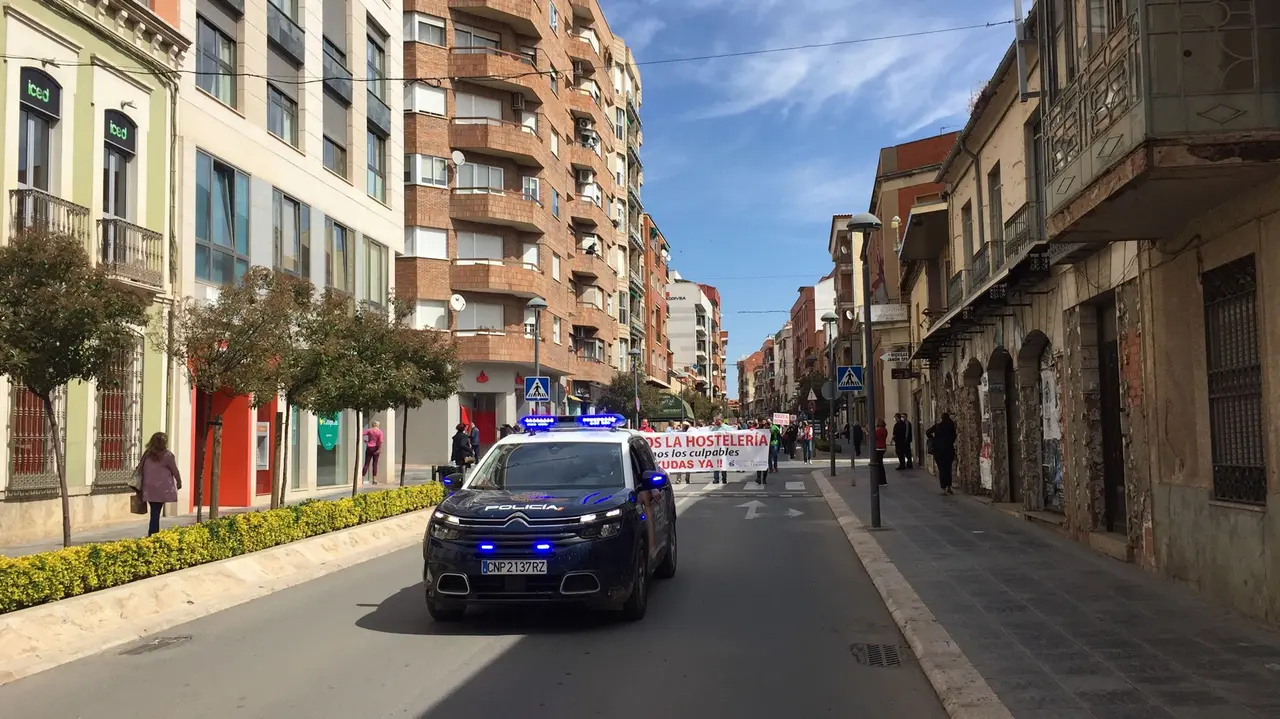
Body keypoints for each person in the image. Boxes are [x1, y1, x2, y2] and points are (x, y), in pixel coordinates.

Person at [138, 432, 182, 537]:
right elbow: (174, 470)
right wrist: (179, 481)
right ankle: (153, 533)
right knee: (156, 512)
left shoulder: (147, 454)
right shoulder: (168, 455)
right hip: (161, 488)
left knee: (154, 511)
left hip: (148, 488)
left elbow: (140, 467)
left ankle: (153, 532)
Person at [926, 413, 958, 495]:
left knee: (942, 469)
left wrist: (934, 439)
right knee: (948, 469)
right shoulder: (951, 426)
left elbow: (928, 432)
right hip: (948, 450)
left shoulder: (938, 426)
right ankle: (949, 487)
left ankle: (943, 488)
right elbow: (954, 437)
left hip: (938, 451)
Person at [874, 419, 889, 485]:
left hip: (878, 448)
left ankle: (881, 480)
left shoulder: (878, 431)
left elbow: (874, 437)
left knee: (878, 465)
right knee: (880, 464)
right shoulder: (885, 430)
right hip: (883, 447)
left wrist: (867, 432)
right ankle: (882, 480)